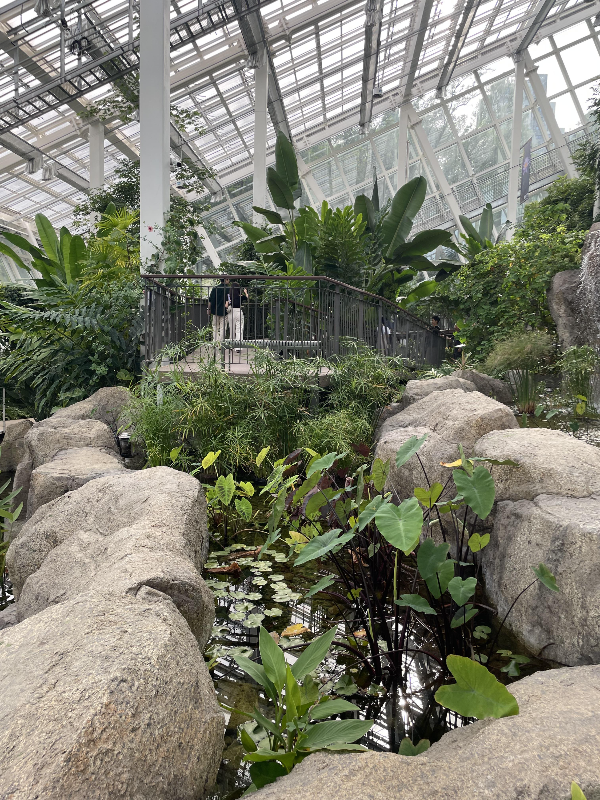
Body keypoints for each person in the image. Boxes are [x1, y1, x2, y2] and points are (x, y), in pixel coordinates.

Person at [225, 279, 249, 352]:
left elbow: (226, 306)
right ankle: (238, 347)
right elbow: (247, 298)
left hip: (231, 312)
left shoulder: (229, 296)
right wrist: (246, 292)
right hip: (238, 312)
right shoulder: (240, 296)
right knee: (239, 329)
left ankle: (231, 345)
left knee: (232, 329)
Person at [208, 278, 227, 343]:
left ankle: (215, 340)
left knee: (215, 326)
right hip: (225, 311)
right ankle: (221, 342)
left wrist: (209, 309)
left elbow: (210, 300)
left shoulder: (215, 288)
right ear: (226, 280)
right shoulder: (228, 289)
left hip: (215, 310)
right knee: (223, 327)